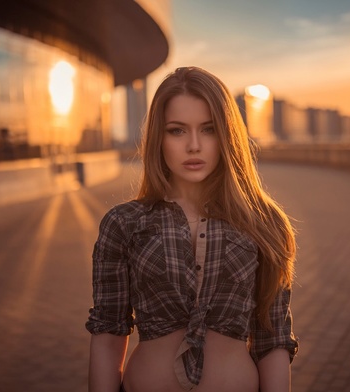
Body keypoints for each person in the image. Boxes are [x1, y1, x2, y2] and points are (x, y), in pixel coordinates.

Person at [86, 66, 298, 392]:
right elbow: (108, 334)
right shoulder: (124, 224)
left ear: (227, 135)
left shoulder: (264, 222)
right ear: (159, 137)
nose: (194, 145)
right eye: (177, 131)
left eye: (209, 129)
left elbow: (274, 339)